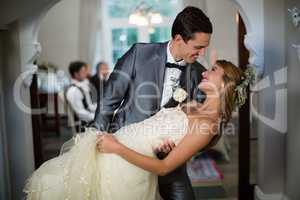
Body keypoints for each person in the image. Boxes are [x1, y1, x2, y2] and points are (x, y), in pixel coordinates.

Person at [24, 60, 254, 200]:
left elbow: (165, 168)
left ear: (224, 84)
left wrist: (117, 148)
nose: (204, 72)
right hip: (116, 147)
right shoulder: (194, 104)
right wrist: (164, 146)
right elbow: (165, 134)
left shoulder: (209, 124)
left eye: (212, 69)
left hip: (126, 165)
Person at [90, 6, 211, 200]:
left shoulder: (199, 73)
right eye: (198, 47)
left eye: (205, 46)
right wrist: (95, 141)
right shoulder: (139, 53)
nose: (203, 52)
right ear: (179, 39)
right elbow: (108, 100)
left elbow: (197, 127)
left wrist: (177, 146)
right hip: (126, 149)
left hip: (169, 160)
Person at [65, 61, 97, 127]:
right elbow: (80, 113)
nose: (87, 73)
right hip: (84, 125)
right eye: (84, 71)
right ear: (76, 74)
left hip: (89, 118)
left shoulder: (82, 85)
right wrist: (97, 116)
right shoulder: (74, 91)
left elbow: (89, 106)